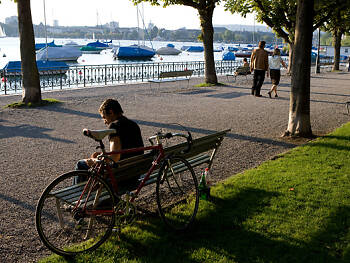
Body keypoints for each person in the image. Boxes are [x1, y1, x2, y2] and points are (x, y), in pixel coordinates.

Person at [74, 98, 144, 189]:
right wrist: (102, 155)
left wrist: (93, 161)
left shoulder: (114, 126)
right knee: (96, 156)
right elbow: (127, 150)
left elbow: (115, 157)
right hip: (134, 173)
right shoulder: (133, 124)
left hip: (120, 176)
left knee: (81, 164)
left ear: (111, 112)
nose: (104, 121)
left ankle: (78, 198)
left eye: (104, 117)